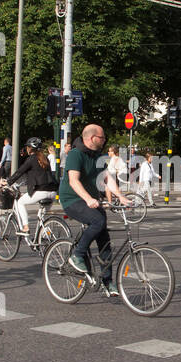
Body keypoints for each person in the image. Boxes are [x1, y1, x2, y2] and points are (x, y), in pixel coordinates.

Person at [59, 123, 127, 298]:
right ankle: (77, 255)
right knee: (98, 221)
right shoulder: (75, 154)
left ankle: (108, 281)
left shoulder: (98, 156)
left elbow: (106, 178)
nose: (104, 140)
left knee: (104, 239)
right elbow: (73, 181)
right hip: (72, 199)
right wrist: (88, 199)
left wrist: (120, 196)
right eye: (101, 137)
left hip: (90, 200)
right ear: (91, 138)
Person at [1, 137, 59, 235]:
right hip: (53, 192)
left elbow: (19, 172)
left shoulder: (31, 159)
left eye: (27, 147)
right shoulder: (45, 158)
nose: (27, 149)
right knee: (41, 217)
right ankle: (45, 237)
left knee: (20, 202)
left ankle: (26, 227)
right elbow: (37, 174)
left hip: (41, 191)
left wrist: (7, 182)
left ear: (30, 148)